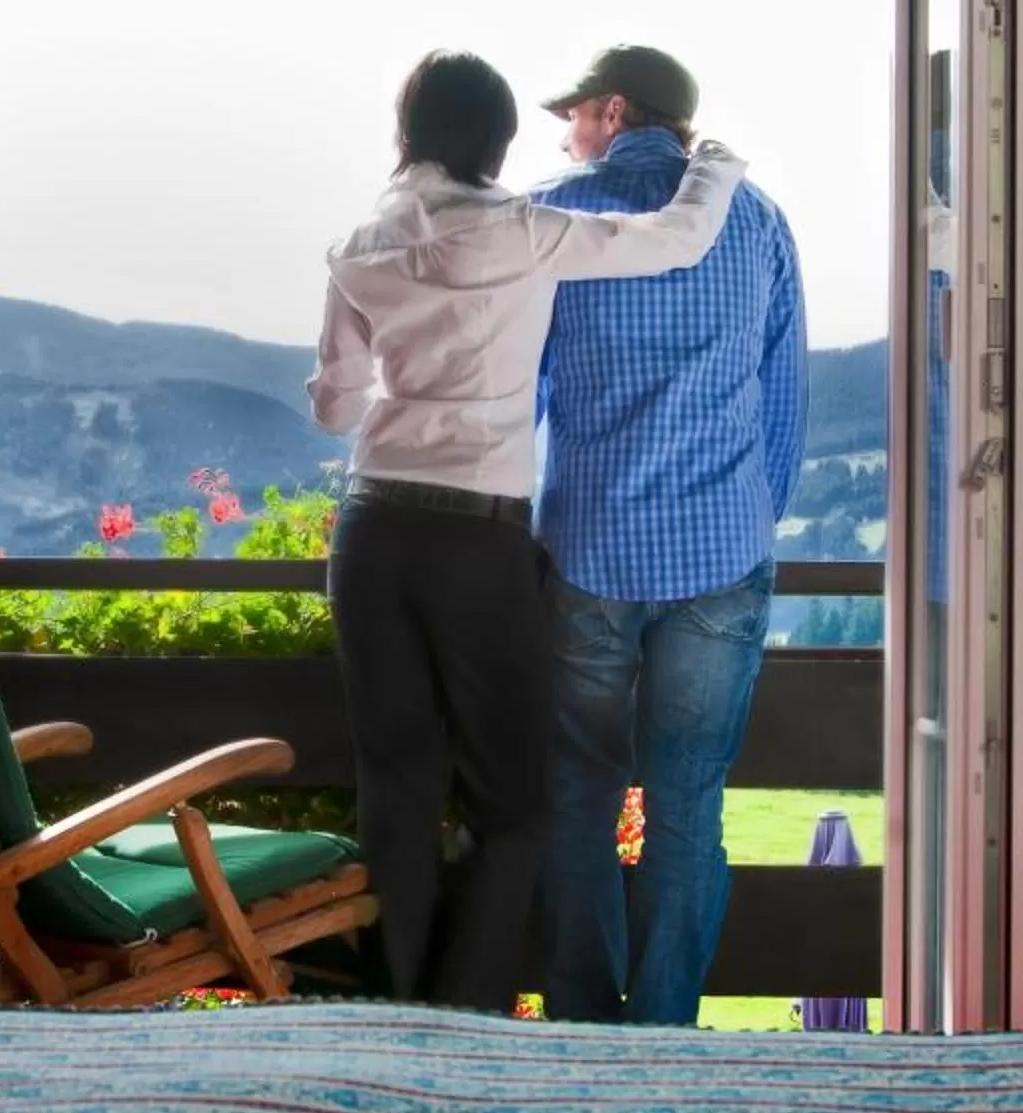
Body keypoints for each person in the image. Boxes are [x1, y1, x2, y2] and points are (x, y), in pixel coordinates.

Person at [307, 50, 747, 1013]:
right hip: (477, 537)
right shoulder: (526, 232)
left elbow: (336, 410)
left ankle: (397, 1018)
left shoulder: (359, 242)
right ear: (498, 141)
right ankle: (465, 1021)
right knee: (515, 800)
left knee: (397, 787)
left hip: (373, 529)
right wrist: (713, 160)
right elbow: (676, 239)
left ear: (407, 134)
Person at [532, 44, 806, 1026]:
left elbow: (520, 389)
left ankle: (578, 1033)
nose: (566, 133)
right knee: (689, 809)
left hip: (587, 550)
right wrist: (744, 520)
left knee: (579, 804)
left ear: (612, 110)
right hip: (720, 553)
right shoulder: (758, 217)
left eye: (573, 113)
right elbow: (783, 399)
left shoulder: (553, 215)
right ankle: (663, 1038)